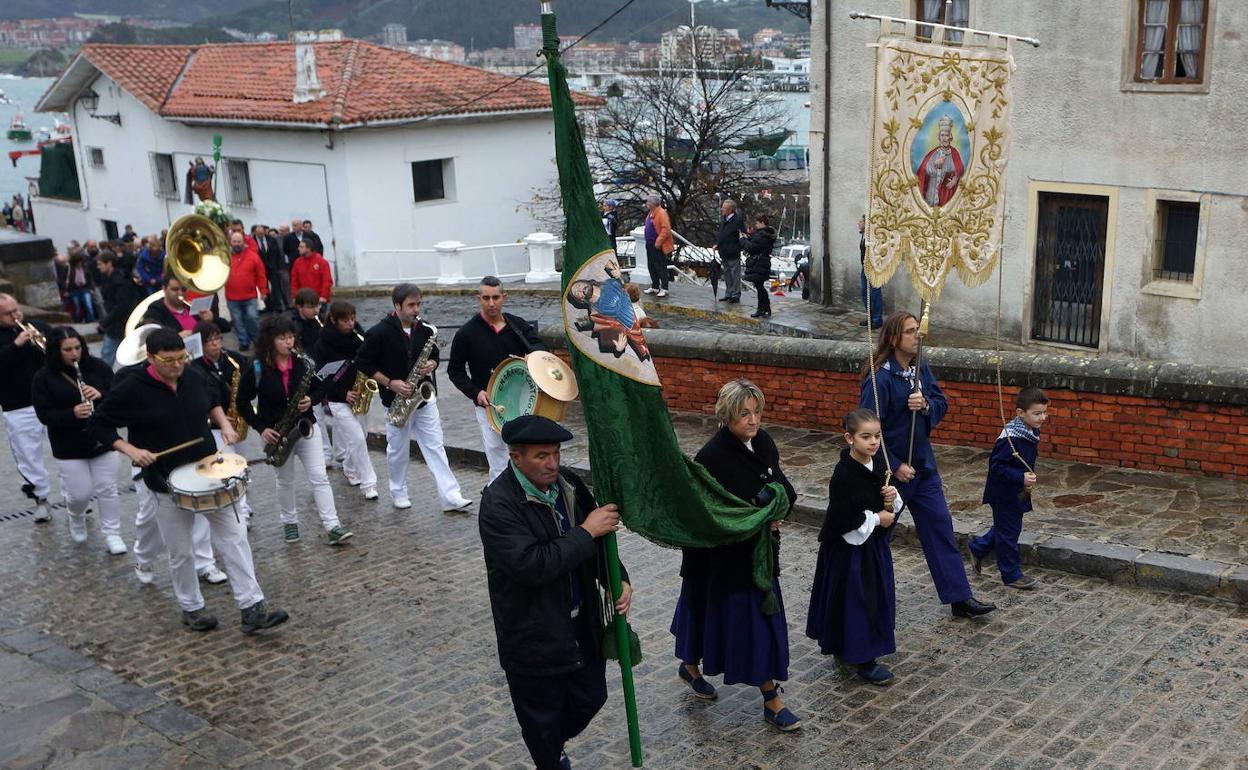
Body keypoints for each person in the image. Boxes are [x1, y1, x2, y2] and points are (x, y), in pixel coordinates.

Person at [92, 328, 288, 633]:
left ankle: (252, 607)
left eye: (181, 358)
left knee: (235, 537)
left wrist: (223, 424)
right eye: (168, 360)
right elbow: (99, 425)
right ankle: (192, 607)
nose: (177, 365)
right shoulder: (130, 387)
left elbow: (213, 399)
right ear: (150, 357)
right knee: (181, 550)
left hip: (207, 470)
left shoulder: (194, 374)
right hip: (165, 480)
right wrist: (132, 450)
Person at [479, 415, 633, 770]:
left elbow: (600, 538)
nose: (552, 463)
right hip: (534, 636)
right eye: (541, 456)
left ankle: (551, 743)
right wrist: (585, 532)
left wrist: (617, 578)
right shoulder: (498, 505)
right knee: (541, 721)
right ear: (516, 458)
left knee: (592, 696)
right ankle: (550, 756)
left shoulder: (570, 486)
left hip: (581, 625)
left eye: (556, 453)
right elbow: (532, 565)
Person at [672, 379, 801, 732]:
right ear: (727, 414)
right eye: (744, 413)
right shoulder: (712, 457)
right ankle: (771, 699)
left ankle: (699, 668)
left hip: (758, 557)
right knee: (706, 612)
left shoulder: (764, 442)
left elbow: (784, 487)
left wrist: (775, 507)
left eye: (756, 411)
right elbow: (710, 514)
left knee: (756, 621)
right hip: (723, 560)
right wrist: (757, 513)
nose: (753, 420)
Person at [859, 311, 996, 618]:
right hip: (892, 475)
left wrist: (926, 405)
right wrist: (893, 465)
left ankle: (959, 596)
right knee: (877, 537)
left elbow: (941, 402)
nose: (917, 336)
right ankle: (864, 601)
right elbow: (866, 430)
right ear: (894, 339)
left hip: (923, 468)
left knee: (940, 530)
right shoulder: (879, 378)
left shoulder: (921, 368)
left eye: (917, 331)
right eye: (910, 332)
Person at [805, 409, 903, 685]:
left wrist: (891, 497)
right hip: (850, 551)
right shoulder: (844, 474)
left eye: (876, 436)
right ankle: (864, 658)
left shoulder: (879, 463)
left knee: (873, 598)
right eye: (866, 437)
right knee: (857, 601)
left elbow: (888, 496)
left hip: (872, 549)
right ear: (849, 438)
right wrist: (876, 518)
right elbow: (843, 516)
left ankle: (853, 647)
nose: (873, 442)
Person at [355, 283, 472, 512]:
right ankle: (398, 491)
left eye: (418, 304)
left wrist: (432, 363)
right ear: (397, 306)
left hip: (424, 398)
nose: (416, 309)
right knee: (398, 451)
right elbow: (363, 363)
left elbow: (435, 355)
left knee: (436, 446)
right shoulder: (379, 332)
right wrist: (391, 383)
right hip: (396, 401)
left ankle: (451, 496)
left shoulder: (426, 329)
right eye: (411, 305)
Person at [237, 315, 352, 546]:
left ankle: (332, 525)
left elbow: (321, 388)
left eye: (291, 337)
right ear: (270, 340)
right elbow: (242, 401)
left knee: (320, 477)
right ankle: (289, 523)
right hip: (276, 433)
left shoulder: (303, 363)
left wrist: (311, 399)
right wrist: (261, 428)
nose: (289, 343)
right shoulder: (257, 368)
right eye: (282, 338)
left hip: (305, 427)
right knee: (285, 481)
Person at [30, 327, 124, 552]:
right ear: (56, 351)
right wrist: (71, 414)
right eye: (67, 350)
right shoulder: (43, 377)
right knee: (79, 493)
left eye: (77, 348)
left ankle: (112, 533)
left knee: (107, 488)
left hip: (102, 438)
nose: (74, 354)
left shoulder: (98, 368)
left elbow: (119, 397)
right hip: (68, 444)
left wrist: (101, 395)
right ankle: (76, 515)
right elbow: (44, 415)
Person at [447, 276, 547, 482]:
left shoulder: (517, 326)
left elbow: (540, 347)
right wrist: (476, 393)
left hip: (522, 401)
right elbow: (455, 370)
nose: (491, 303)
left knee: (525, 454)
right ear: (478, 299)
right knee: (498, 459)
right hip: (489, 405)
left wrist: (532, 356)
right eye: (485, 298)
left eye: (495, 297)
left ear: (504, 297)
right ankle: (499, 505)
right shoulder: (466, 333)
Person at [969, 387, 1048, 590]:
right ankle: (1011, 574)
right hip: (1004, 493)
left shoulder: (1030, 431)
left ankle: (978, 547)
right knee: (1009, 534)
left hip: (1017, 492)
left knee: (1007, 528)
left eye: (1044, 412)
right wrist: (1020, 476)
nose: (1043, 418)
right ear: (1020, 413)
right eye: (1037, 413)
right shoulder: (1010, 439)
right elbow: (997, 467)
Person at [191, 321, 255, 527]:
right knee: (230, 470)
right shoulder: (194, 367)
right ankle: (241, 511)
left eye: (218, 339)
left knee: (241, 467)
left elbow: (249, 385)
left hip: (237, 420)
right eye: (210, 341)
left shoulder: (234, 359)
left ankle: (243, 504)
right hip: (214, 426)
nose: (216, 345)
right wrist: (213, 418)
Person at [313, 300, 378, 501]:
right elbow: (322, 377)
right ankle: (369, 484)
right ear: (334, 320)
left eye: (352, 319)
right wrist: (343, 394)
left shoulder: (358, 336)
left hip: (359, 393)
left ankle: (349, 467)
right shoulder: (323, 344)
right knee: (357, 438)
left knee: (361, 436)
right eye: (345, 321)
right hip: (337, 399)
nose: (350, 324)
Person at [0, 294, 54, 521]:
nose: (16, 316)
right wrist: (16, 344)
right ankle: (40, 500)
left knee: (67, 449)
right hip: (17, 406)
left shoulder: (38, 326)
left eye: (17, 310)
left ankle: (75, 498)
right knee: (28, 456)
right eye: (8, 314)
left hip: (51, 401)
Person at [96, 252, 144, 367]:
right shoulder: (112, 279)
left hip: (119, 324)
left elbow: (122, 306)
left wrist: (105, 322)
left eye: (100, 264)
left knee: (108, 355)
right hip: (117, 323)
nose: (99, 267)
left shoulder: (120, 281)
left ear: (109, 264)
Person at [223, 230, 268, 352]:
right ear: (230, 242)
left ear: (243, 242)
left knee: (252, 318)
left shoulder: (253, 256)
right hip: (232, 297)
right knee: (237, 322)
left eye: (239, 241)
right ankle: (243, 342)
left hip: (250, 296)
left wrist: (263, 290)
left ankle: (257, 341)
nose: (236, 244)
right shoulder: (224, 258)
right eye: (234, 241)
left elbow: (261, 274)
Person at [142, 274, 222, 337]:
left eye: (183, 289)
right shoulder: (155, 311)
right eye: (175, 289)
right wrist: (176, 337)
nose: (180, 294)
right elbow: (149, 337)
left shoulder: (190, 306)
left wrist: (212, 318)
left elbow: (226, 327)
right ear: (164, 289)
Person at [916, 115, 963, 208]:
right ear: (939, 137)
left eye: (947, 135)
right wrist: (934, 164)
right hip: (931, 191)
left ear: (950, 137)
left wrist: (955, 180)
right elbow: (923, 170)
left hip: (947, 192)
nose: (944, 138)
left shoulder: (954, 153)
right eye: (942, 135)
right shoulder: (933, 153)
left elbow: (960, 170)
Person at [743, 214, 777, 319]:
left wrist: (743, 240)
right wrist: (749, 237)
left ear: (762, 223)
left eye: (757, 223)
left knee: (760, 286)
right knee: (759, 286)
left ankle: (763, 309)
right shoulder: (766, 234)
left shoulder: (762, 235)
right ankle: (764, 308)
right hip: (763, 262)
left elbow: (752, 247)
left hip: (759, 263)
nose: (756, 225)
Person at [714, 199, 747, 303]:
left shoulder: (737, 221)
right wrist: (718, 244)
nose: (722, 210)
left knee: (735, 274)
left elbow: (743, 235)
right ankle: (728, 293)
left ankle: (736, 294)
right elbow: (722, 234)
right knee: (727, 274)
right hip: (724, 251)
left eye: (724, 208)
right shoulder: (724, 219)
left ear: (730, 210)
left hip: (733, 252)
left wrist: (737, 248)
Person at [642, 194, 673, 297]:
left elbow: (666, 229)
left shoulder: (661, 213)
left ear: (653, 203)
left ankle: (664, 287)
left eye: (648, 202)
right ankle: (655, 286)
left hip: (657, 245)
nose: (647, 204)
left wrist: (658, 242)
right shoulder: (651, 213)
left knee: (660, 266)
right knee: (651, 265)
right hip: (649, 244)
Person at [253, 224, 288, 313]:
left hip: (273, 268)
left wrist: (279, 267)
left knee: (276, 287)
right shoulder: (252, 241)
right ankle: (267, 306)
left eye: (262, 233)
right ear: (255, 233)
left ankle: (278, 306)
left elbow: (278, 254)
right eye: (258, 234)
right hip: (260, 268)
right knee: (263, 288)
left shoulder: (271, 239)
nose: (261, 235)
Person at [290, 239, 332, 305]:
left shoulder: (321, 262)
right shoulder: (297, 262)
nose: (298, 249)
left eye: (301, 247)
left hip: (318, 299)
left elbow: (327, 281)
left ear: (308, 249)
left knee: (317, 316)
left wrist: (324, 296)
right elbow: (294, 281)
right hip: (303, 300)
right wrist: (295, 296)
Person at [859, 215, 884, 328]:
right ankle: (870, 317)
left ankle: (877, 320)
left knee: (874, 294)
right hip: (864, 268)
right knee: (865, 293)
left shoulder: (873, 237)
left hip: (873, 268)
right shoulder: (864, 236)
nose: (859, 223)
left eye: (861, 221)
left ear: (867, 224)